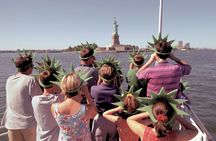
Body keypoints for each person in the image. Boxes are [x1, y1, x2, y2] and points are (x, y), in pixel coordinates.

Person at [1, 50, 42, 141]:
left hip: (11, 123)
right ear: (29, 67)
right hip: (28, 124)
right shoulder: (30, 80)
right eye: (33, 66)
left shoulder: (9, 79)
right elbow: (39, 99)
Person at [51, 72, 97, 141]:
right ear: (80, 88)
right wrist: (87, 93)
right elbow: (95, 113)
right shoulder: (85, 110)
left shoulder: (54, 108)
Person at [127, 101, 198, 141]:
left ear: (153, 116)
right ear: (170, 117)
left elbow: (129, 119)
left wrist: (148, 112)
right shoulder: (175, 136)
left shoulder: (144, 132)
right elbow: (194, 131)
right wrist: (175, 115)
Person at [91, 60, 121, 141]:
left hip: (100, 119)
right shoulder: (116, 90)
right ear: (114, 76)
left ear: (100, 76)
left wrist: (99, 81)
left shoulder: (94, 89)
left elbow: (94, 97)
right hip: (113, 119)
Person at [32, 69, 63, 141]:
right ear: (55, 83)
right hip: (56, 138)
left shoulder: (35, 100)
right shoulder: (60, 99)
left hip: (40, 138)